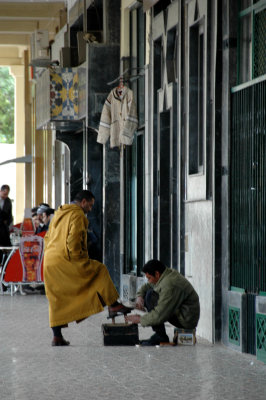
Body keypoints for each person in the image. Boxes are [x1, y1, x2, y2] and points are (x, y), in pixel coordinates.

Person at [43, 190, 131, 346]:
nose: (90, 209)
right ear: (83, 202)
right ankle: (113, 304)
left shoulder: (58, 213)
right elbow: (73, 240)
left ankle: (57, 336)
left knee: (56, 298)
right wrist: (80, 260)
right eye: (90, 205)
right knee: (99, 269)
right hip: (66, 259)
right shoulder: (77, 215)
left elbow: (47, 237)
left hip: (49, 260)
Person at [125, 259, 200, 346]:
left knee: (150, 296)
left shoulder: (170, 285)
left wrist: (140, 319)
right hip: (181, 313)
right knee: (148, 292)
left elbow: (160, 314)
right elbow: (148, 285)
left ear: (157, 273)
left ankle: (160, 336)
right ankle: (160, 335)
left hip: (186, 320)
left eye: (149, 278)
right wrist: (139, 296)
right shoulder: (165, 275)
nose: (149, 280)